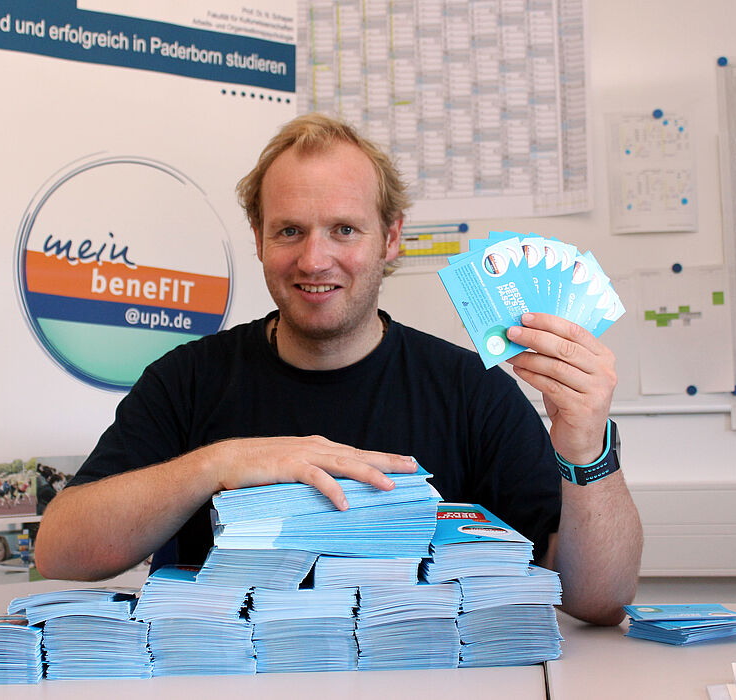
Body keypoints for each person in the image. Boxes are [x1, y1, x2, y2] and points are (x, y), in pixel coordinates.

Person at [36, 113, 642, 626]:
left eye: (344, 230)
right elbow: (61, 551)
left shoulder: (471, 390)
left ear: (391, 238)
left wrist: (586, 446)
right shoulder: (186, 380)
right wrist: (217, 464)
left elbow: (601, 600)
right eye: (290, 231)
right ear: (259, 239)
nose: (313, 258)